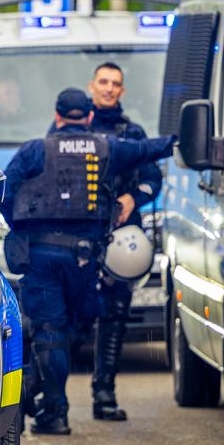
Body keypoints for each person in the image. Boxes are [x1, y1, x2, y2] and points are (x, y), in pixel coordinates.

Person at [0, 87, 175, 435]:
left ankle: (55, 413)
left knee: (49, 331)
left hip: (41, 257)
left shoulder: (36, 150)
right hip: (85, 260)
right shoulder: (107, 147)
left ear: (58, 115)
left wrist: (19, 225)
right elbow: (146, 151)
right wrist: (176, 139)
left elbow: (4, 191)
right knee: (73, 329)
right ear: (90, 116)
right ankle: (47, 403)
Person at [87, 62, 161, 422]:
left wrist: (133, 198)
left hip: (122, 237)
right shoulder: (75, 129)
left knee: (115, 315)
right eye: (103, 81)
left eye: (116, 83)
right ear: (92, 86)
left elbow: (152, 178)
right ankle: (45, 400)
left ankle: (105, 395)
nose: (109, 88)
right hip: (82, 234)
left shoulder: (133, 133)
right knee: (65, 318)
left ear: (122, 90)